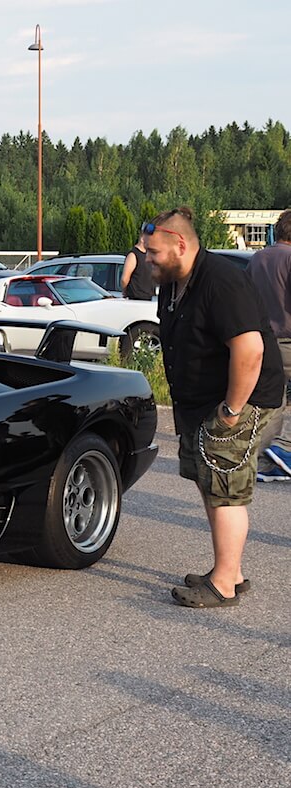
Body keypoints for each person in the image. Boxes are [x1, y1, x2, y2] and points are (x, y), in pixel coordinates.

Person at [145, 207, 285, 608]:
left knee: (225, 485)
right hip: (204, 403)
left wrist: (231, 411)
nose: (147, 259)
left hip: (243, 401)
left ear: (181, 245)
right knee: (211, 482)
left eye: (153, 252)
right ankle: (231, 570)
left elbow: (250, 349)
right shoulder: (174, 282)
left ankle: (223, 584)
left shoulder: (220, 282)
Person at [245, 208, 291, 481]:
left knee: (274, 399)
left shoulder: (257, 259)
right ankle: (278, 450)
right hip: (287, 341)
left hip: (260, 341)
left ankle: (266, 455)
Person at [121, 234, 155, 300]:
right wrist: (125, 291)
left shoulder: (148, 255)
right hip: (135, 299)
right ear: (142, 239)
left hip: (148, 298)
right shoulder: (133, 255)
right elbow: (124, 279)